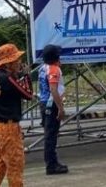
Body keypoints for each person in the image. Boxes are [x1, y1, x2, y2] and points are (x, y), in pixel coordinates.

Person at [0, 43, 33, 187]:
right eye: (17, 60)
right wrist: (26, 76)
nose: (19, 63)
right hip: (7, 128)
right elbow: (28, 94)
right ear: (9, 63)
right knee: (15, 167)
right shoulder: (7, 79)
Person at [39, 44, 68, 174]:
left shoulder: (43, 68)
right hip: (51, 104)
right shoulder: (53, 69)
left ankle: (53, 162)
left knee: (49, 135)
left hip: (44, 103)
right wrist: (60, 108)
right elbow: (53, 89)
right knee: (51, 136)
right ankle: (51, 165)